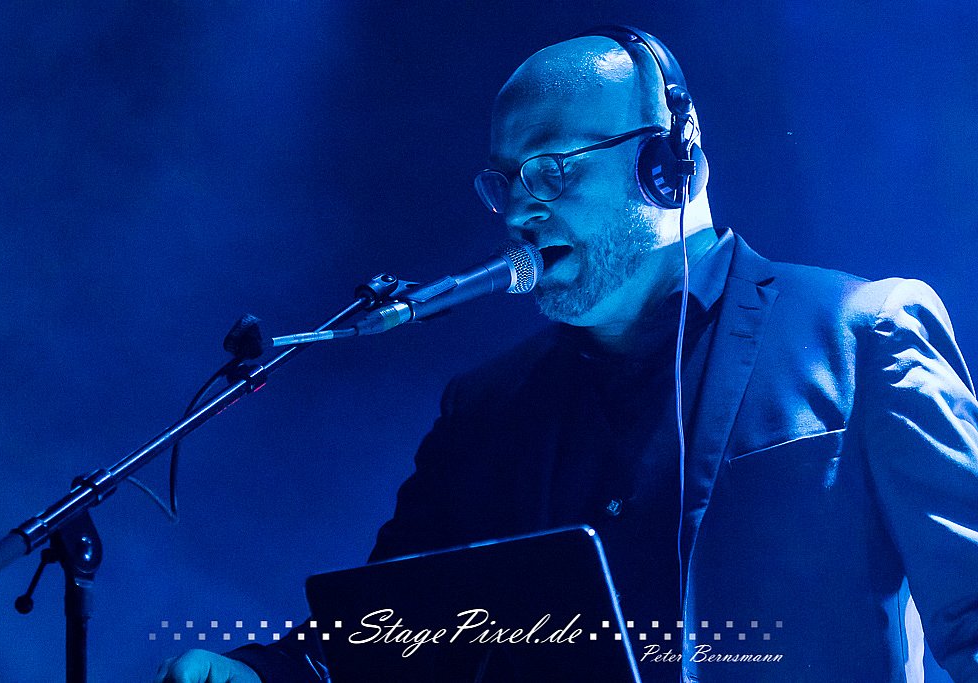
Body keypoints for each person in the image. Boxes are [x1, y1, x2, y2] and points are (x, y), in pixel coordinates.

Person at [155, 26, 978, 683]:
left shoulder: (864, 331)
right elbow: (388, 629)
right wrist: (261, 672)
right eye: (505, 182)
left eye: (550, 171)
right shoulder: (485, 410)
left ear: (667, 164)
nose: (520, 210)